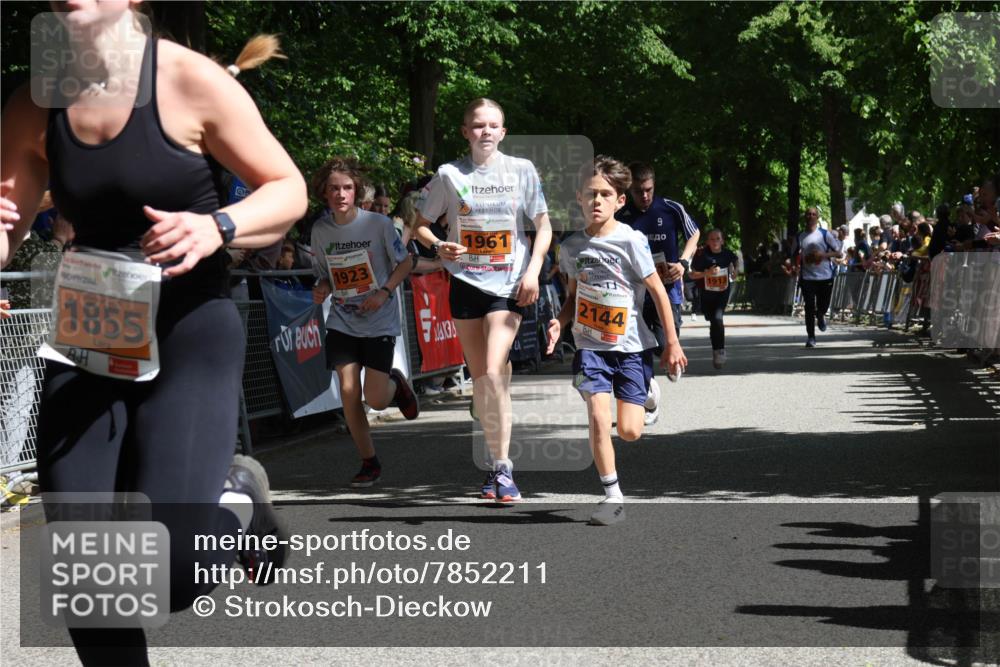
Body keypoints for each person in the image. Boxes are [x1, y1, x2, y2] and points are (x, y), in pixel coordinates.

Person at [0, 6, 307, 664]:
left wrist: (217, 226)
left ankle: (238, 504)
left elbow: (288, 188)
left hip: (190, 331)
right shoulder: (34, 104)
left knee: (174, 571)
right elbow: (10, 222)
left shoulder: (189, 81)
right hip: (89, 341)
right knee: (88, 571)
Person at [414, 98, 552, 503]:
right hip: (465, 284)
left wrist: (534, 270)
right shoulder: (449, 174)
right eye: (478, 126)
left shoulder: (520, 171)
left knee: (491, 373)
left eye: (493, 125)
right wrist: (440, 244)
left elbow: (542, 225)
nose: (486, 132)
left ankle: (505, 471)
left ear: (503, 132)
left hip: (509, 283)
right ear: (465, 131)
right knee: (483, 381)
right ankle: (495, 462)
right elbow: (420, 226)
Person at [545, 156, 686, 525]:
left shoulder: (631, 240)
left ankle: (649, 391)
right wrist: (560, 323)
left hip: (631, 346)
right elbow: (573, 297)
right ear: (579, 197)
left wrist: (671, 343)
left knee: (629, 431)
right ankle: (613, 497)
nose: (597, 200)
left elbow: (657, 291)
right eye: (590, 193)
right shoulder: (572, 246)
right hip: (590, 346)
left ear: (619, 201)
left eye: (605, 194)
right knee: (596, 417)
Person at [310, 157, 419, 487]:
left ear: (356, 191)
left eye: (346, 187)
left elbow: (406, 262)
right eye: (334, 188)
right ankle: (369, 461)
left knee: (375, 399)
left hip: (378, 319)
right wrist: (323, 287)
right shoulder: (320, 230)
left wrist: (384, 292)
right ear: (324, 193)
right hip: (342, 319)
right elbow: (324, 275)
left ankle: (395, 385)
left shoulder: (378, 224)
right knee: (347, 389)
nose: (341, 194)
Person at [616, 162, 699, 425]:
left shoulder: (670, 208)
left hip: (667, 289)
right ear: (630, 190)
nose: (645, 196)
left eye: (649, 190)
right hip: (634, 292)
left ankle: (662, 363)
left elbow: (694, 234)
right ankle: (648, 392)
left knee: (665, 344)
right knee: (636, 343)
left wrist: (683, 263)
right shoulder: (620, 213)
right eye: (639, 191)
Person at [793, 207, 843, 347]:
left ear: (817, 217)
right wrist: (796, 265)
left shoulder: (825, 234)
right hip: (807, 277)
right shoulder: (800, 236)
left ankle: (821, 314)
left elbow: (839, 253)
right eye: (808, 214)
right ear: (805, 217)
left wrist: (822, 255)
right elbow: (792, 254)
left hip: (825, 276)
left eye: (814, 214)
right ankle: (811, 337)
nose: (811, 216)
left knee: (823, 304)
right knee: (809, 307)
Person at [688, 229, 739, 369]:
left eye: (718, 239)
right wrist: (707, 273)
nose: (715, 241)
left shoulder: (727, 254)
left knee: (718, 318)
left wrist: (735, 270)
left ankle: (720, 351)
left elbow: (735, 260)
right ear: (707, 242)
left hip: (722, 293)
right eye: (712, 239)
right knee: (713, 321)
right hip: (706, 295)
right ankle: (715, 349)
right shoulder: (703, 256)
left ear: (722, 241)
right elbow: (692, 275)